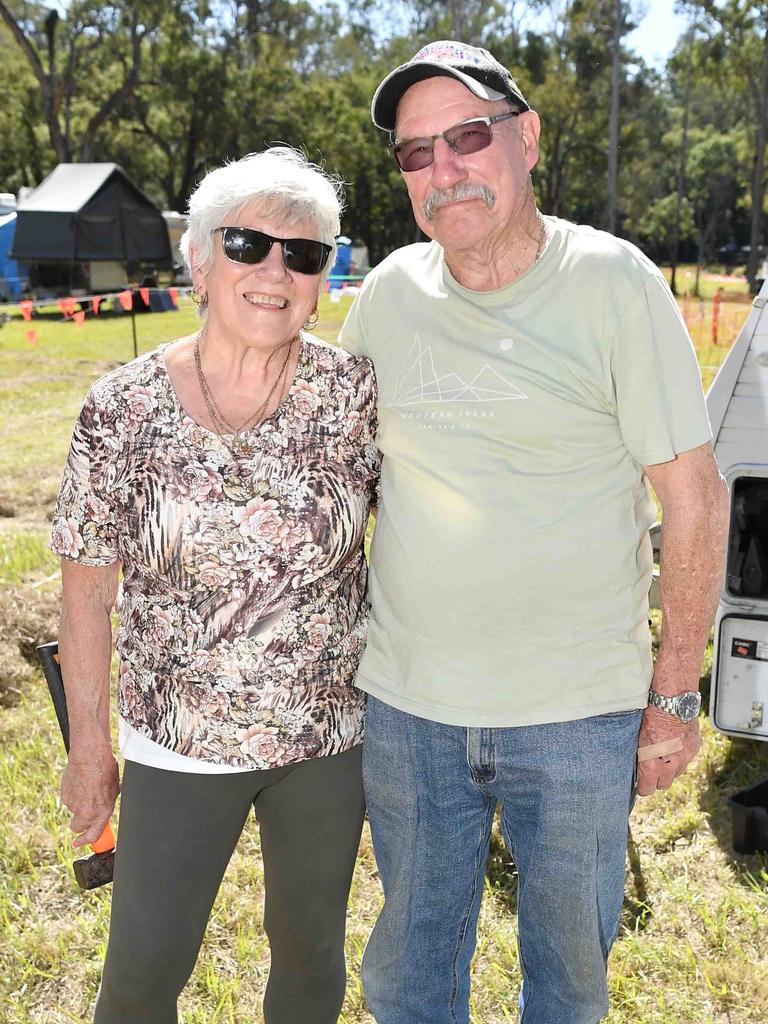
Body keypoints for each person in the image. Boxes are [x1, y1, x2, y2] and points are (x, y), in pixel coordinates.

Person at [338, 40, 730, 1024]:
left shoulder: (614, 284)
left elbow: (694, 496)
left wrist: (676, 695)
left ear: (528, 139)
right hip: (409, 710)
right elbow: (337, 482)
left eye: (467, 136)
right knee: (411, 976)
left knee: (566, 981)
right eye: (416, 153)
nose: (443, 169)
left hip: (576, 713)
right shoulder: (386, 296)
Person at [50, 147, 379, 1024]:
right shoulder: (121, 409)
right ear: (200, 259)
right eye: (247, 244)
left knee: (311, 956)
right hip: (178, 738)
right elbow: (86, 594)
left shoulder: (353, 395)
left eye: (303, 254)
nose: (275, 271)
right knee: (143, 971)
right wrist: (90, 752)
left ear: (323, 277)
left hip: (327, 732)